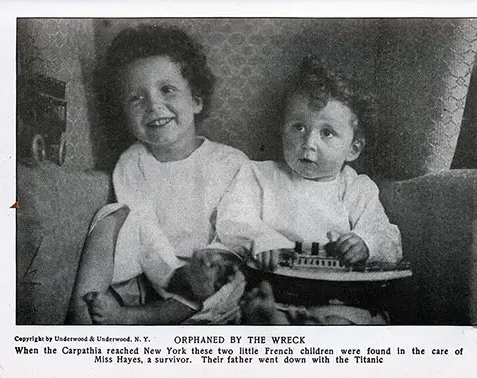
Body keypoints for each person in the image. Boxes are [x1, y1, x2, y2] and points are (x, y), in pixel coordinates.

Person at [69, 25, 248, 325]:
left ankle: (132, 319)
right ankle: (80, 315)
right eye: (136, 98)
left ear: (196, 100)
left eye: (167, 90)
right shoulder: (131, 163)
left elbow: (236, 232)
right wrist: (175, 276)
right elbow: (145, 232)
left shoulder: (231, 163)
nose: (153, 105)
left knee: (230, 278)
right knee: (110, 215)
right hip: (154, 273)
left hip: (209, 278)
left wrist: (204, 271)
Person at [211, 55, 402, 324]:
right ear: (282, 130)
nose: (308, 143)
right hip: (274, 290)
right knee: (249, 306)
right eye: (298, 127)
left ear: (353, 148)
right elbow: (232, 219)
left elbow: (389, 239)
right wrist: (262, 239)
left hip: (339, 298)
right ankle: (276, 319)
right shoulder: (259, 175)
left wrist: (365, 242)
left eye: (327, 133)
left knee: (347, 322)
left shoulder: (358, 189)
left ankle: (309, 325)